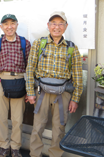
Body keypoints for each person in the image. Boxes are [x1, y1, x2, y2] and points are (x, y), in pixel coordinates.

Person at [26, 11, 83, 157]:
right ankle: (34, 154)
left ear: (65, 26)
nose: (56, 27)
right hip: (41, 92)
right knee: (37, 127)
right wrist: (30, 92)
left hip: (63, 94)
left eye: (60, 24)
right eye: (53, 23)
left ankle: (55, 155)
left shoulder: (71, 47)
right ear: (48, 25)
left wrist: (75, 98)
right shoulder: (39, 43)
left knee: (59, 128)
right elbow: (30, 68)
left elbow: (77, 75)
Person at [0, 14, 31, 157]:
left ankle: (15, 148)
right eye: (6, 24)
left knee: (17, 118)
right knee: (0, 116)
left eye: (12, 23)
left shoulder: (25, 43)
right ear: (1, 27)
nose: (9, 27)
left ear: (17, 25)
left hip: (19, 80)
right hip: (1, 80)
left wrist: (29, 90)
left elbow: (30, 68)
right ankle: (4, 146)